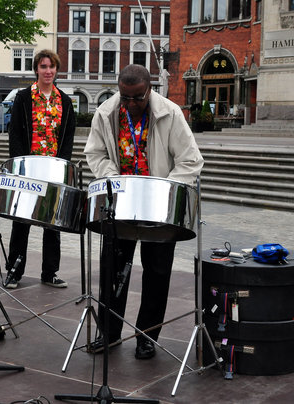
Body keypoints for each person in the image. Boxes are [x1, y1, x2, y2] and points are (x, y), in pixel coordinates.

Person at [84, 64, 203, 359]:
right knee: (112, 270)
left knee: (157, 273)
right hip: (121, 203)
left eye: (137, 97)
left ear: (149, 90)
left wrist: (164, 190)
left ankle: (147, 336)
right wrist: (112, 177)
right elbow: (95, 153)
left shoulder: (169, 113)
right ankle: (109, 333)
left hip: (158, 207)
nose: (131, 104)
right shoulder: (107, 113)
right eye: (125, 97)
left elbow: (190, 160)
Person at [4, 49, 76, 289]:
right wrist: (20, 164)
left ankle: (50, 272)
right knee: (21, 221)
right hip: (28, 168)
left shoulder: (64, 101)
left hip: (53, 169)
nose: (48, 71)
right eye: (43, 66)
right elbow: (15, 132)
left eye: (51, 67)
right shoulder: (24, 98)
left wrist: (62, 165)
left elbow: (67, 137)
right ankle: (14, 271)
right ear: (36, 69)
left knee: (52, 223)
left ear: (56, 70)